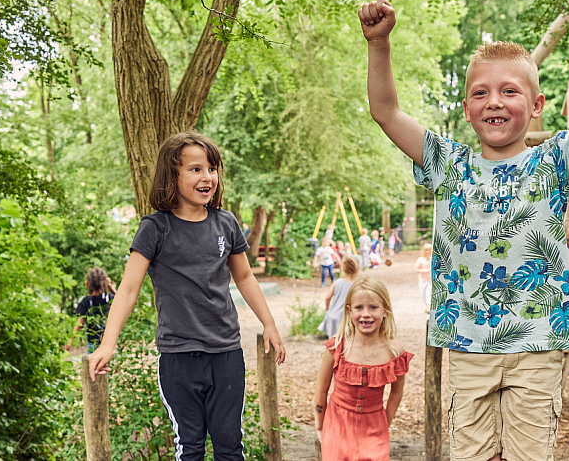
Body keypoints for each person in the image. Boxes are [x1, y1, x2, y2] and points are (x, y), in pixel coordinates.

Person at [360, 0, 569, 460]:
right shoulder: (450, 164)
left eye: (510, 91)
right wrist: (378, 44)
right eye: (481, 92)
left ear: (535, 105)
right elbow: (385, 111)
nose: (494, 101)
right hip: (468, 343)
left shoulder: (555, 160)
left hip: (537, 343)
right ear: (467, 109)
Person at [87, 133, 286, 461]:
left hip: (225, 353)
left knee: (229, 446)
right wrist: (108, 344)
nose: (207, 176)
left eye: (212, 168)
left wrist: (269, 324)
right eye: (195, 169)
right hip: (178, 356)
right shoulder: (155, 228)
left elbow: (246, 276)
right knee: (190, 447)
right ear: (171, 176)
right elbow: (128, 289)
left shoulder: (226, 223)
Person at [315, 277, 412, 460]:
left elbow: (396, 393)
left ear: (385, 310)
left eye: (373, 307)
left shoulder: (395, 351)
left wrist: (385, 422)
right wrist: (320, 426)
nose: (366, 314)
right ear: (349, 311)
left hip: (375, 426)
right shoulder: (337, 346)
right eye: (359, 308)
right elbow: (321, 389)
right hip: (337, 424)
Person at [68, 267, 117, 353]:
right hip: (108, 342)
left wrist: (70, 340)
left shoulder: (86, 301)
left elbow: (80, 322)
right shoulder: (109, 298)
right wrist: (110, 287)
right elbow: (122, 301)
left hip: (92, 343)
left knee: (92, 365)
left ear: (87, 284)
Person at [319, 255, 360, 338]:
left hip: (332, 316)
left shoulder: (337, 282)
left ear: (343, 269)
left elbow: (328, 297)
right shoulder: (356, 286)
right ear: (357, 269)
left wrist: (327, 307)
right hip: (345, 318)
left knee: (333, 342)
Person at [415, 243, 433, 313]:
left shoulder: (432, 259)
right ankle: (426, 305)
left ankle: (428, 307)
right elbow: (417, 269)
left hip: (430, 280)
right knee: (423, 294)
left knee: (428, 293)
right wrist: (426, 271)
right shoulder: (420, 260)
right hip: (422, 280)